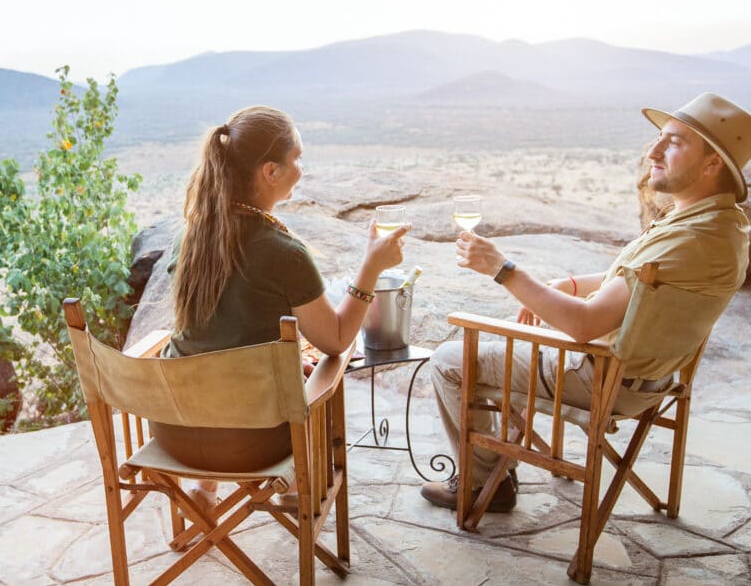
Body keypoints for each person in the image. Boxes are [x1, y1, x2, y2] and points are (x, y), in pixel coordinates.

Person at [420, 92, 751, 512]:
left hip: (598, 377)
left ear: (712, 164)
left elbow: (584, 325)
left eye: (674, 142)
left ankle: (484, 481)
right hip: (650, 380)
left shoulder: (690, 240)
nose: (653, 151)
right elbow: (644, 284)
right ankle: (499, 460)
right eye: (658, 139)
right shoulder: (720, 225)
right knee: (515, 331)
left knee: (452, 358)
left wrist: (502, 268)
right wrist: (571, 283)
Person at [154, 105, 408, 511]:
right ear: (270, 172)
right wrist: (372, 266)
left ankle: (204, 489)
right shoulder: (283, 253)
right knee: (319, 379)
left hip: (175, 433)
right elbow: (337, 340)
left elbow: (217, 335)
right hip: (252, 445)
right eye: (297, 158)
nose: (301, 168)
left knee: (226, 374)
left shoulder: (189, 239)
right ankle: (293, 487)